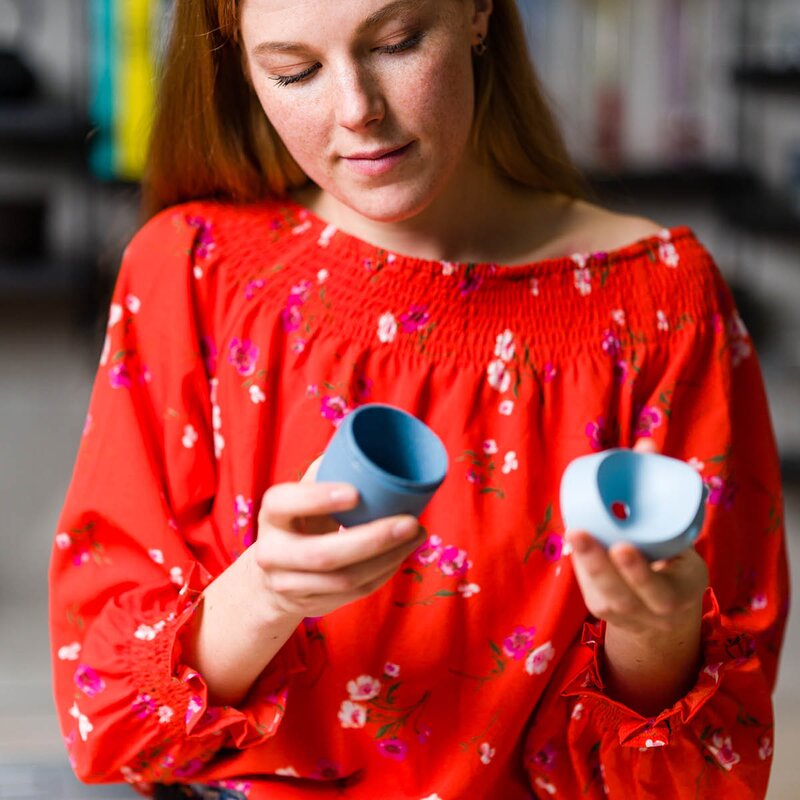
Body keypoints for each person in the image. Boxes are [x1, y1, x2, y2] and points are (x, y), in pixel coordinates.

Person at [49, 1, 789, 798]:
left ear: (477, 13)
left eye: (398, 42)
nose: (357, 110)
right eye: (294, 70)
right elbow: (108, 718)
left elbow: (713, 770)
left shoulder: (657, 306)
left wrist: (656, 634)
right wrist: (265, 592)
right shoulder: (192, 271)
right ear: (241, 67)